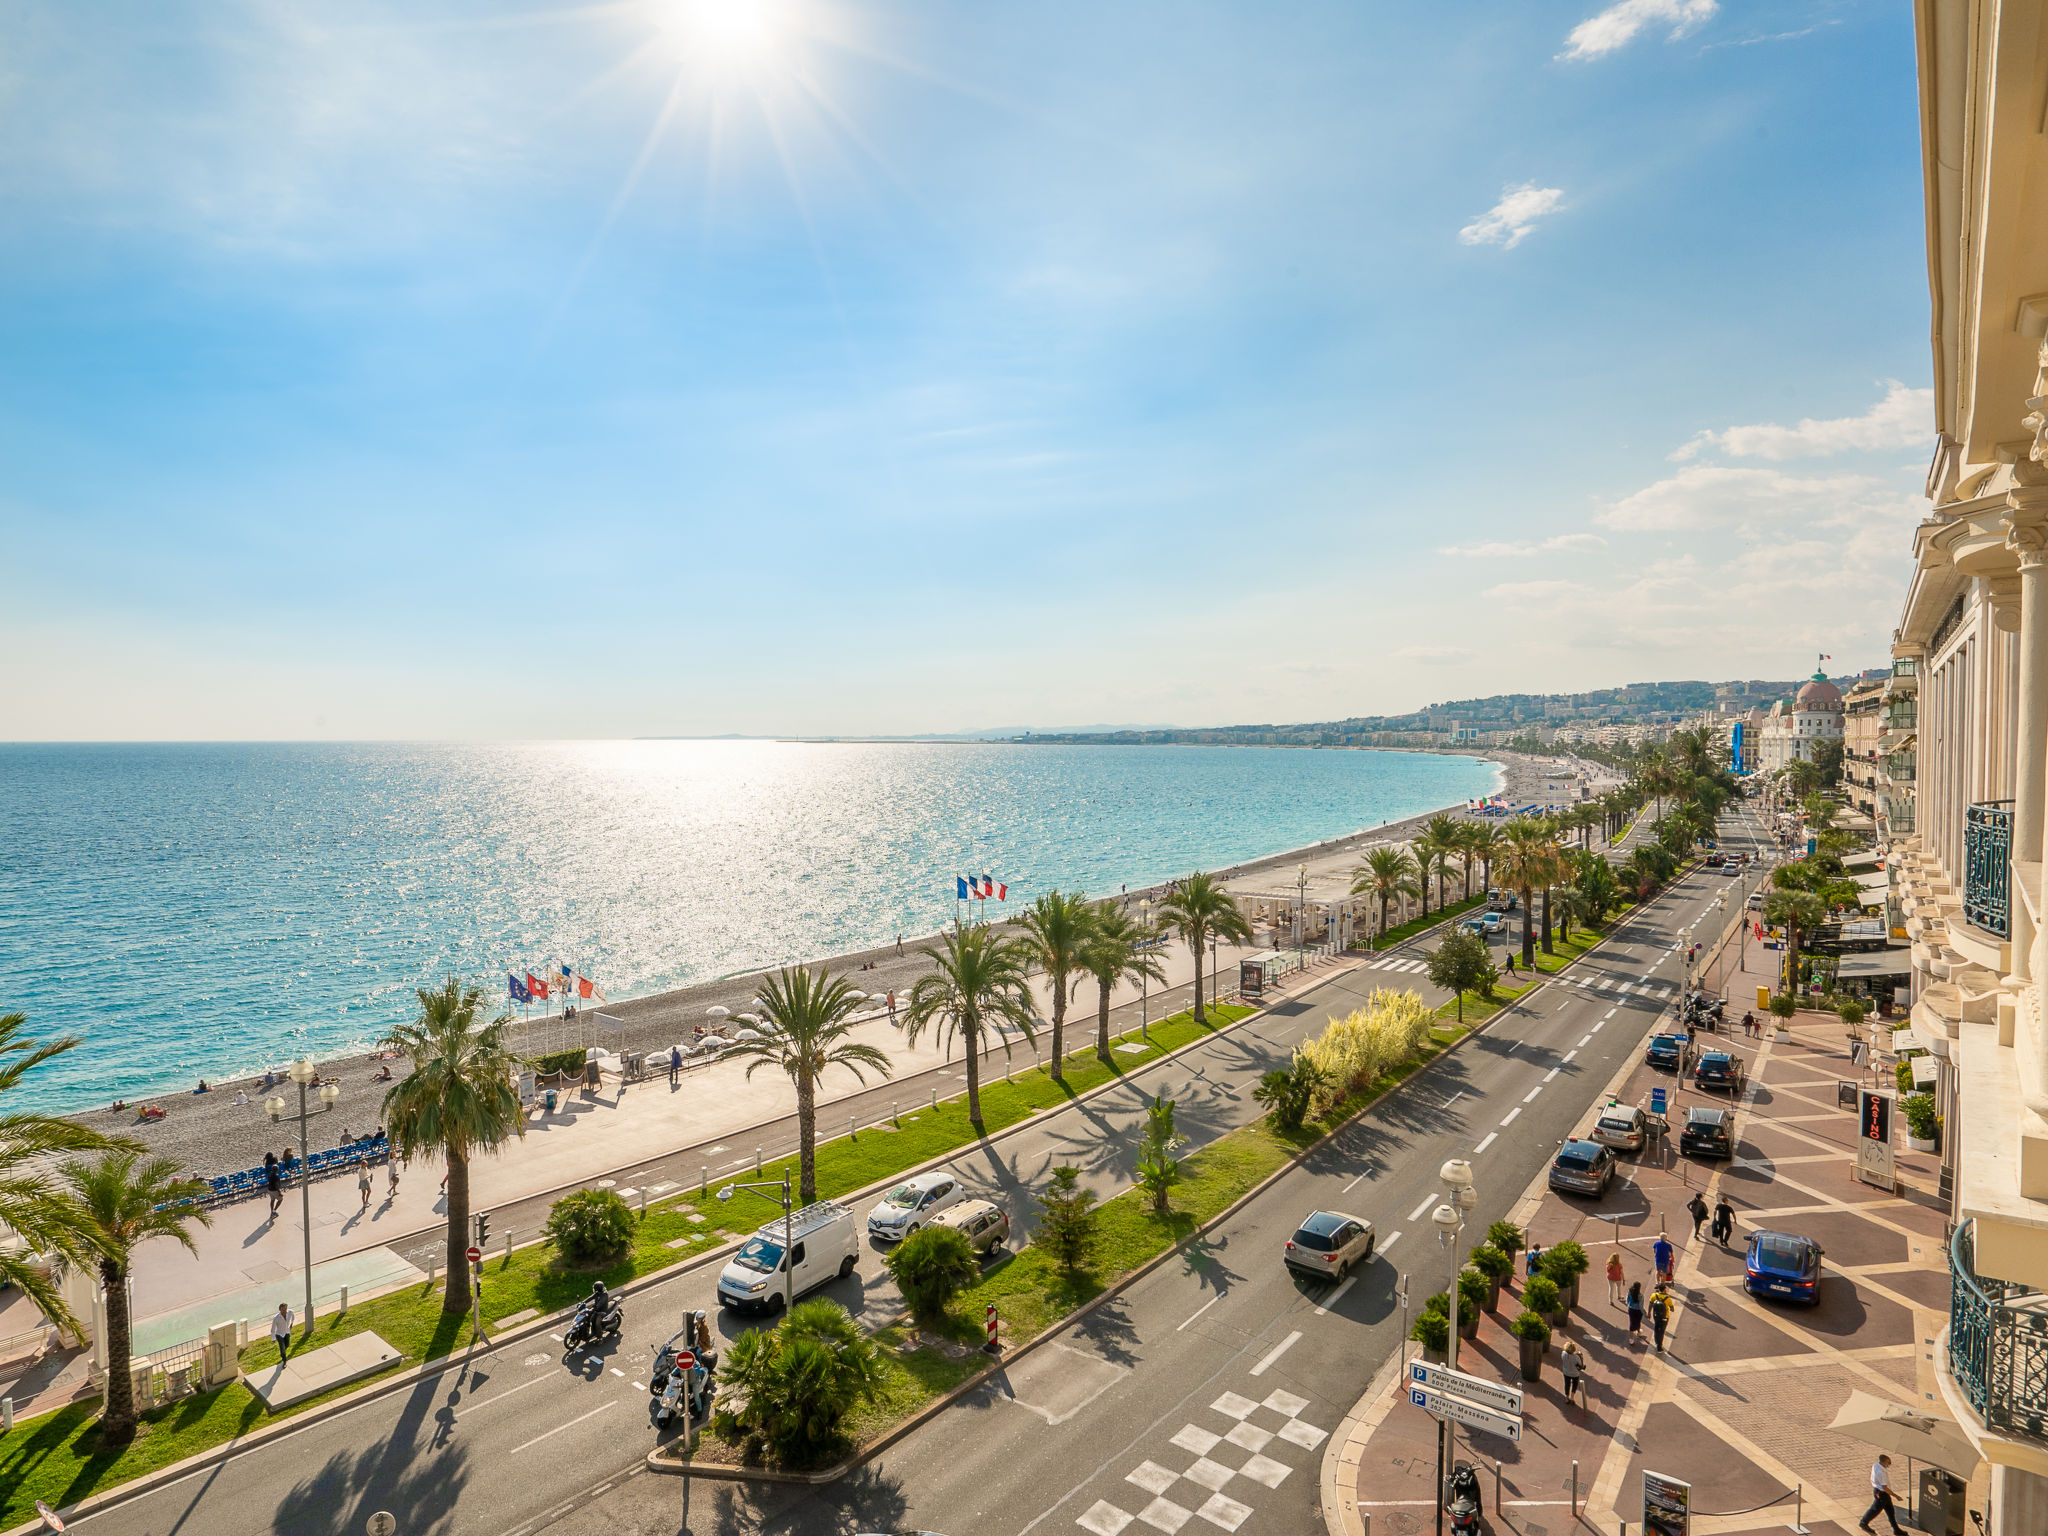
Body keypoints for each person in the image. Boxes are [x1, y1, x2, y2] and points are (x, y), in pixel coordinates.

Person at [1860, 1454, 1906, 1536]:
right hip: (1882, 1494)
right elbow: (1884, 1487)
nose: (1889, 1465)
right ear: (1884, 1461)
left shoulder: (1876, 1465)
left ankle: (1896, 1530)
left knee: (1890, 1511)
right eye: (1888, 1463)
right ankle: (1863, 1523)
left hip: (1881, 1492)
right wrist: (1895, 1496)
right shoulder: (1881, 1472)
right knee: (1875, 1510)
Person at [1649, 1285, 1673, 1354]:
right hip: (1665, 1317)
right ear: (1664, 1290)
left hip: (1656, 1315)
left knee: (1656, 1327)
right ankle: (1659, 1346)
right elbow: (1672, 1309)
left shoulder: (1654, 1295)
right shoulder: (1668, 1298)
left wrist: (1649, 1313)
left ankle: (1656, 1341)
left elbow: (1650, 1304)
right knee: (1662, 1331)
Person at [1560, 1339, 1584, 1405]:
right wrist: (1581, 1357)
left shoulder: (1563, 1354)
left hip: (1566, 1372)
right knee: (1575, 1384)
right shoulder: (1576, 1357)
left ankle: (1567, 1397)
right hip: (1575, 1373)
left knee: (1567, 1384)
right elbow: (1581, 1365)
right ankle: (1572, 1397)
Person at [264, 1150, 283, 1218]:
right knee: (280, 1199)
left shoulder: (269, 1175)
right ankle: (274, 1211)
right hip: (274, 1190)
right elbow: (277, 1186)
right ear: (277, 1170)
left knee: (272, 1200)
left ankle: (271, 1211)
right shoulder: (276, 1176)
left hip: (269, 1189)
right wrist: (279, 1192)